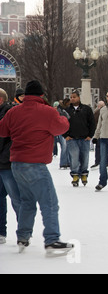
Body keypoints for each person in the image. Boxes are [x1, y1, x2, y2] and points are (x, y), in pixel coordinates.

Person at [0, 80, 74, 253]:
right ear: (41, 95)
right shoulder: (47, 111)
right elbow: (61, 128)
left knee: (27, 202)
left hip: (16, 164)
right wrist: (63, 117)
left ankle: (23, 238)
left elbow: (2, 130)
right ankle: (52, 240)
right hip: (35, 164)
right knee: (49, 202)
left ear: (26, 95)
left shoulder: (13, 111)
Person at [0, 88, 21, 245]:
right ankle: (1, 231)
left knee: (16, 198)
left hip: (7, 164)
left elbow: (13, 138)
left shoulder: (11, 114)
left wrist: (4, 158)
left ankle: (24, 231)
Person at [63, 91, 95, 187]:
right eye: (71, 97)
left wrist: (90, 135)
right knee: (74, 157)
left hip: (84, 138)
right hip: (72, 138)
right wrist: (65, 135)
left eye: (74, 97)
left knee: (85, 157)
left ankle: (84, 174)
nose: (72, 99)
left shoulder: (86, 109)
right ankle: (75, 175)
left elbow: (92, 123)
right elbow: (62, 123)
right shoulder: (67, 110)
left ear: (79, 98)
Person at [53, 101, 70, 169]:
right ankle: (63, 163)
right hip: (62, 131)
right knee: (64, 146)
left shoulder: (64, 111)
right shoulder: (60, 111)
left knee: (67, 147)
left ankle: (68, 162)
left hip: (65, 130)